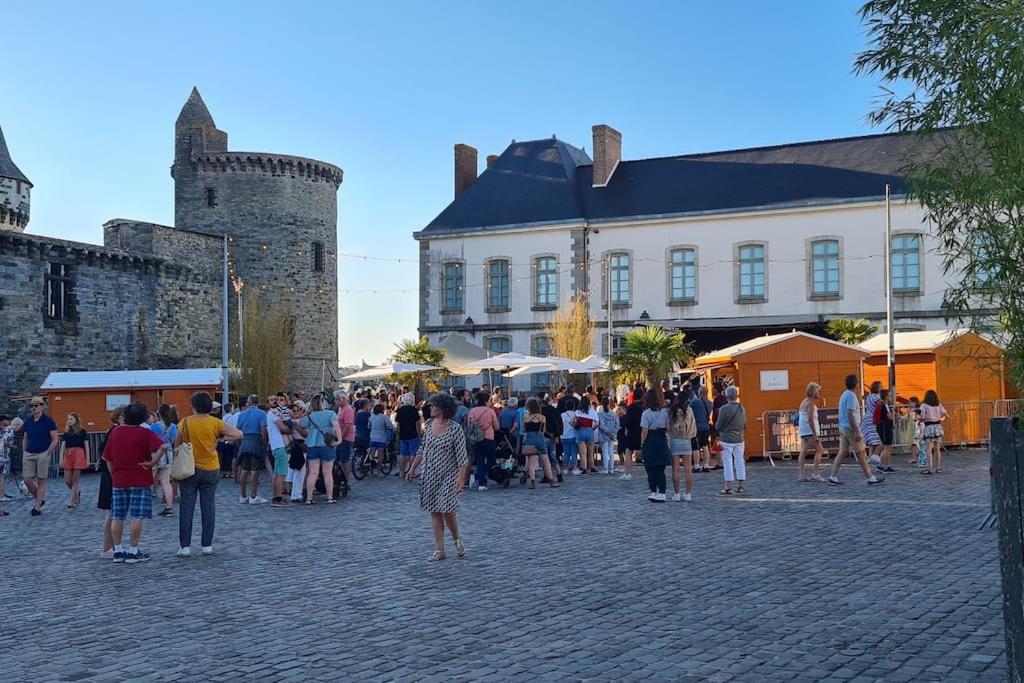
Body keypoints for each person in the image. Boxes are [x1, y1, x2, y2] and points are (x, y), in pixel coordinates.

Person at [174, 391, 243, 557]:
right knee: (209, 507)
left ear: (194, 406)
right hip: (211, 467)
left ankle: (185, 547)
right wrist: (219, 440)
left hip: (190, 468)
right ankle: (207, 545)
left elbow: (177, 443)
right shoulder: (215, 422)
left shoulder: (185, 422)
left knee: (186, 507)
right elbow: (239, 434)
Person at [406, 393, 470, 561]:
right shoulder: (428, 424)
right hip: (429, 474)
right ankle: (439, 549)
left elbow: (463, 458)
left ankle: (456, 540)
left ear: (443, 408)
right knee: (434, 510)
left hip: (449, 475)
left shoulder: (455, 428)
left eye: (434, 406)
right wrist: (413, 467)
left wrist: (461, 480)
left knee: (447, 510)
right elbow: (423, 449)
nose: (431, 408)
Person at [102, 402, 167, 563]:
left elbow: (107, 458)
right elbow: (163, 447)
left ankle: (117, 550)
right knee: (137, 516)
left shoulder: (116, 432)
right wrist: (153, 463)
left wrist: (114, 474)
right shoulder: (145, 433)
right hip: (140, 478)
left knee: (117, 516)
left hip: (119, 480)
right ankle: (133, 550)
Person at [828, 375, 884, 486]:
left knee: (842, 452)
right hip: (850, 428)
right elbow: (851, 415)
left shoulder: (844, 395)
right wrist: (857, 430)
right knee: (861, 453)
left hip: (843, 427)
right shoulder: (851, 397)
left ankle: (833, 476)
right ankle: (870, 477)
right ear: (856, 384)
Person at [299, 394, 341, 504]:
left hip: (312, 445)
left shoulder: (310, 416)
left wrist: (306, 414)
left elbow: (302, 424)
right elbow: (336, 426)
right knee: (327, 473)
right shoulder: (331, 414)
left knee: (313, 473)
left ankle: (309, 498)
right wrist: (339, 440)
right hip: (327, 445)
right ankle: (330, 497)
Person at [21, 397, 59, 516]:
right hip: (29, 452)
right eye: (32, 406)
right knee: (27, 480)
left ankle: (37, 507)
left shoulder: (49, 421)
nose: (33, 408)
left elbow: (55, 438)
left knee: (41, 479)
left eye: (36, 405)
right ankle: (40, 499)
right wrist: (24, 451)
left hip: (43, 452)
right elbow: (25, 437)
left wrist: (48, 451)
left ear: (42, 406)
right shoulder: (28, 421)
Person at [97, 408, 124, 558]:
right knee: (112, 514)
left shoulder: (113, 431)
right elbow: (107, 456)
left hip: (109, 475)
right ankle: (107, 547)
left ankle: (111, 546)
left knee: (113, 513)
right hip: (111, 476)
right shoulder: (115, 432)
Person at [714, 386, 748, 495]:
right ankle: (741, 485)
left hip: (726, 439)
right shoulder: (741, 408)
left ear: (726, 396)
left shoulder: (724, 409)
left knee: (727, 461)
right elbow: (745, 425)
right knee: (739, 461)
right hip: (739, 438)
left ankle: (728, 486)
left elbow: (718, 426)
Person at [235, 395, 268, 504]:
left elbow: (237, 430)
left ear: (248, 402)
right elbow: (263, 430)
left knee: (244, 469)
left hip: (245, 441)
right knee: (255, 470)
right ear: (258, 402)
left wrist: (240, 443)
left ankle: (243, 495)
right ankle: (254, 495)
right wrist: (265, 443)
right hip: (256, 441)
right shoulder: (262, 414)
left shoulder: (241, 414)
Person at [640, 388, 670, 502]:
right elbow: (667, 427)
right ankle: (662, 492)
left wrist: (642, 443)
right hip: (661, 439)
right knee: (660, 469)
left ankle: (653, 491)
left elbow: (644, 431)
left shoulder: (646, 414)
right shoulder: (665, 412)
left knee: (650, 469)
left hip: (650, 441)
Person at [149, 404, 179, 516]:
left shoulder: (153, 427)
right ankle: (169, 507)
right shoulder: (173, 427)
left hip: (155, 453)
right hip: (168, 454)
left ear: (159, 413)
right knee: (166, 482)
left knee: (149, 478)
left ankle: (146, 500)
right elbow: (175, 441)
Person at [467, 391, 499, 491]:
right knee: (492, 460)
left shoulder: (472, 411)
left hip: (476, 439)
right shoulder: (490, 411)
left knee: (480, 460)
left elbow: (468, 426)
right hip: (488, 438)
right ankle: (478, 477)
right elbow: (497, 427)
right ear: (486, 400)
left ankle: (481, 483)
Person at [522, 397, 557, 489]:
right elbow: (544, 429)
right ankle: (552, 480)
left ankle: (532, 482)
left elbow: (524, 429)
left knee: (531, 462)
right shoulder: (543, 418)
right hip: (540, 438)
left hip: (530, 439)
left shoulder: (525, 417)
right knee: (546, 461)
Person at [667, 391, 696, 501]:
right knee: (688, 469)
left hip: (675, 440)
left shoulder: (672, 410)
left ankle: (677, 493)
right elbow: (693, 425)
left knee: (675, 469)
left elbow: (668, 425)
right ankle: (688, 494)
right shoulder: (689, 411)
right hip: (686, 440)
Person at [266, 395, 293, 507]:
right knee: (281, 473)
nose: (277, 402)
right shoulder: (273, 414)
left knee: (277, 472)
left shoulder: (271, 414)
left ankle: (275, 496)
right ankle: (278, 498)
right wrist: (291, 429)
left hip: (275, 445)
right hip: (280, 445)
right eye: (275, 400)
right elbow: (284, 428)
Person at [59, 411, 89, 509]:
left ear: (76, 420)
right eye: (68, 419)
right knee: (67, 480)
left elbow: (86, 446)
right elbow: (63, 445)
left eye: (71, 419)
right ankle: (76, 492)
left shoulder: (82, 431)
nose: (69, 421)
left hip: (79, 453)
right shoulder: (66, 432)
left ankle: (72, 501)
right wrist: (61, 458)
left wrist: (88, 459)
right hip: (68, 454)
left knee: (75, 479)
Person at [796, 383, 826, 483]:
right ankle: (815, 474)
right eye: (818, 391)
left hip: (803, 430)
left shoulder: (803, 402)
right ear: (813, 392)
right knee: (820, 450)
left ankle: (801, 475)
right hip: (810, 431)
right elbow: (810, 419)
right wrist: (815, 435)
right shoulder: (811, 403)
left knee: (803, 452)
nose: (819, 393)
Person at [920, 389, 949, 474]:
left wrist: (920, 419)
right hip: (938, 427)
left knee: (928, 449)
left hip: (929, 426)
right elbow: (947, 416)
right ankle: (938, 467)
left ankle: (929, 468)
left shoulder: (924, 405)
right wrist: (940, 419)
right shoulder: (939, 405)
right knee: (937, 449)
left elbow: (922, 417)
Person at [395, 393, 422, 479]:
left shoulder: (400, 410)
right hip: (413, 434)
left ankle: (402, 472)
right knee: (413, 453)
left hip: (403, 434)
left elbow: (397, 424)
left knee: (403, 454)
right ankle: (411, 471)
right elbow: (417, 423)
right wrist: (419, 433)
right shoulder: (414, 410)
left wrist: (399, 433)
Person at [539, 393, 564, 483]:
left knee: (544, 457)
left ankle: (547, 475)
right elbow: (558, 423)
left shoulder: (540, 411)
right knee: (553, 456)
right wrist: (557, 435)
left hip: (544, 436)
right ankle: (559, 474)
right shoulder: (553, 409)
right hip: (553, 436)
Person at [621, 389, 644, 480]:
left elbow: (627, 421)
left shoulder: (631, 407)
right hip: (642, 430)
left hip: (632, 432)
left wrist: (626, 428)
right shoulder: (643, 407)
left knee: (628, 451)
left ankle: (627, 472)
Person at [690, 386, 714, 473]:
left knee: (695, 447)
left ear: (699, 392)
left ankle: (696, 466)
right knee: (705, 446)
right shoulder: (710, 403)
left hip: (696, 427)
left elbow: (688, 410)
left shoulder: (695, 401)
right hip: (706, 427)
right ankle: (706, 465)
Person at [573, 397, 599, 474]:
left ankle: (584, 468)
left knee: (583, 453)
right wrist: (592, 429)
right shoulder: (592, 411)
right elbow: (597, 423)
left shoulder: (577, 411)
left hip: (580, 431)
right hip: (589, 431)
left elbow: (571, 421)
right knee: (591, 453)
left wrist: (575, 427)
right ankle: (592, 467)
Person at [335, 392, 356, 484]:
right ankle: (341, 478)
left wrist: (341, 437)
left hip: (345, 438)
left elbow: (347, 426)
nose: (336, 402)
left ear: (343, 399)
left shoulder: (348, 410)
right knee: (340, 459)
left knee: (345, 460)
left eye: (337, 400)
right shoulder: (341, 409)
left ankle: (346, 480)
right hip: (340, 437)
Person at [369, 403, 396, 469]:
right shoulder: (384, 417)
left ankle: (371, 464)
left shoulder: (371, 416)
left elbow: (369, 426)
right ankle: (379, 466)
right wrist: (392, 429)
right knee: (380, 453)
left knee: (372, 451)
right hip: (381, 438)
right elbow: (390, 426)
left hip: (372, 437)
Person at [875, 388, 896, 473]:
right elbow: (889, 417)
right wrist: (895, 416)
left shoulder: (884, 405)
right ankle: (886, 466)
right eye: (890, 395)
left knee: (885, 446)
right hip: (884, 428)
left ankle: (881, 465)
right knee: (888, 447)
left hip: (884, 427)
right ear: (886, 397)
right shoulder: (885, 405)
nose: (891, 397)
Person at [862, 381, 883, 465]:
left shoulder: (869, 396)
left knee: (872, 440)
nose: (882, 388)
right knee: (878, 439)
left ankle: (870, 456)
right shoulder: (877, 397)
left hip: (867, 418)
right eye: (881, 386)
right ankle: (875, 455)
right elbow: (880, 404)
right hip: (873, 419)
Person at [598, 397, 620, 475]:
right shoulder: (614, 414)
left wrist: (608, 433)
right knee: (611, 452)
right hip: (612, 436)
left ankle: (606, 468)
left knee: (605, 452)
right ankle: (611, 468)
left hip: (604, 435)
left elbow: (601, 426)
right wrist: (613, 433)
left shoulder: (600, 414)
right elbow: (617, 424)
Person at [560, 395, 579, 474]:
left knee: (566, 453)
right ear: (574, 406)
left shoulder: (562, 415)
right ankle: (574, 468)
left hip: (564, 436)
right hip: (573, 435)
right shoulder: (575, 414)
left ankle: (565, 468)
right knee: (574, 453)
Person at [219, 402, 238, 479]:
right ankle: (229, 472)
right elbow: (233, 427)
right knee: (230, 456)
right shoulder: (232, 417)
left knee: (224, 456)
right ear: (231, 408)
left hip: (224, 438)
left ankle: (223, 472)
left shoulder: (223, 417)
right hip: (230, 438)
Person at [907, 396, 927, 467]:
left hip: (917, 428)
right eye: (909, 402)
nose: (909, 404)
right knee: (913, 444)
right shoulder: (909, 409)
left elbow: (919, 418)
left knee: (918, 443)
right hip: (912, 427)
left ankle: (921, 458)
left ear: (915, 402)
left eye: (911, 402)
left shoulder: (918, 409)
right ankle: (914, 458)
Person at [0, 415, 14, 504]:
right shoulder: (8, 430)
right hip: (3, 456)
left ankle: (2, 493)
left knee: (2, 476)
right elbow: (7, 441)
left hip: (3, 455)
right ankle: (1, 495)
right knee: (2, 476)